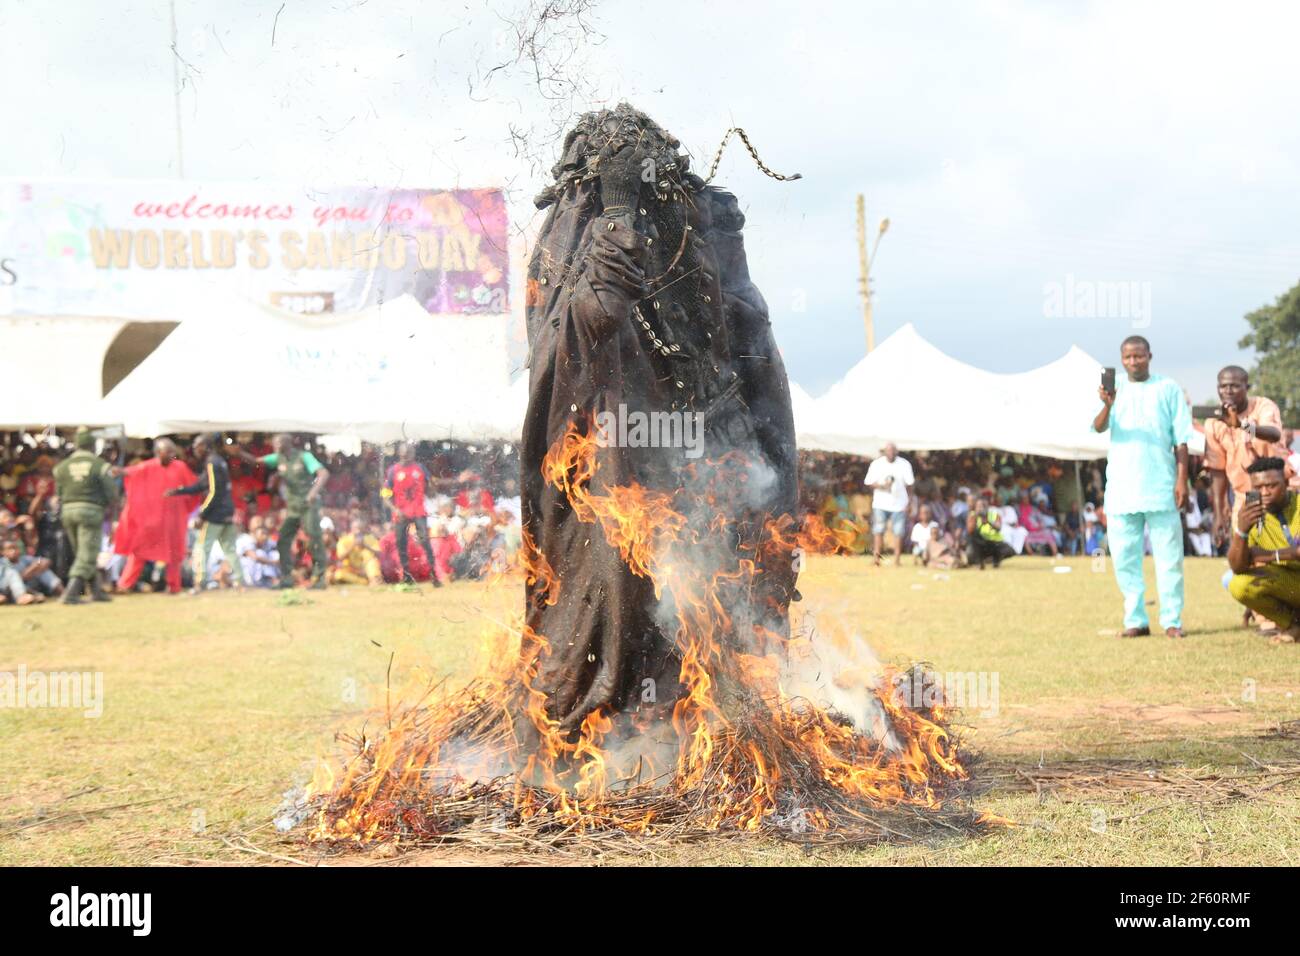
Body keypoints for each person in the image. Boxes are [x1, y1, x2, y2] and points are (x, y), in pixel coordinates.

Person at [1092, 336, 1193, 638]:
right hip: (1122, 488)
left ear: (1150, 356)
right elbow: (1098, 427)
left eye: (1139, 356)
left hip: (1161, 485)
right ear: (1121, 359)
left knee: (1169, 558)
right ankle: (1135, 619)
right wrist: (1106, 406)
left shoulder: (1168, 388)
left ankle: (1172, 620)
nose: (1134, 362)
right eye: (1128, 357)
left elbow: (1182, 440)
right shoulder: (1114, 390)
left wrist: (1182, 480)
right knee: (1124, 558)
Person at [1203, 366, 1287, 545]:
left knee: (1286, 549)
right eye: (1223, 386)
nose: (1227, 391)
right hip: (1244, 496)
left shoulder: (1263, 406)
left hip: (1278, 492)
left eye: (1234, 386)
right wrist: (1219, 512)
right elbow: (1217, 470)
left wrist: (1242, 425)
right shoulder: (1213, 422)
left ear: (1246, 387)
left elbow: (1274, 434)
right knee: (1245, 554)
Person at [236, 434, 329, 589]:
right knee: (283, 540)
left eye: (278, 443)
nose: (275, 445)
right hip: (293, 507)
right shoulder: (277, 458)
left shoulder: (304, 456)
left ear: (288, 443)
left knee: (314, 539)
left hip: (308, 505)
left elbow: (323, 473)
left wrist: (313, 493)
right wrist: (239, 452)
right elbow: (255, 461)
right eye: (274, 443)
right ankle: (287, 578)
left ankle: (319, 579)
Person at [1226, 458, 1300, 644]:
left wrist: (1267, 555)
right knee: (1238, 584)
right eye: (1258, 487)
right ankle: (1293, 625)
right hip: (1290, 582)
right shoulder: (1252, 515)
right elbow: (1238, 567)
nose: (1265, 493)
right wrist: (1241, 532)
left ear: (1287, 482)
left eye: (1272, 485)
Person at [114, 438, 198, 595]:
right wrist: (120, 471)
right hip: (151, 521)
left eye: (173, 451)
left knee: (174, 554)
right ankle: (124, 584)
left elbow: (193, 487)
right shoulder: (148, 466)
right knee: (139, 551)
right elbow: (131, 472)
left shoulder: (180, 467)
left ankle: (174, 586)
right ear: (159, 453)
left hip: (173, 521)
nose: (172, 455)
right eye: (169, 451)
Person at [166, 433, 245, 593]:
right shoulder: (219, 461)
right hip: (227, 511)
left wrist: (202, 515)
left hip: (215, 515)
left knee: (201, 548)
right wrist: (178, 491)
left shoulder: (211, 463)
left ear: (206, 446)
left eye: (197, 445)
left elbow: (213, 492)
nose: (194, 448)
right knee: (229, 549)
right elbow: (201, 485)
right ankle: (239, 581)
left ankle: (199, 583)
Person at [53, 427, 119, 605]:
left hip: (68, 511)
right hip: (90, 512)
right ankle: (70, 594)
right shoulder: (99, 466)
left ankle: (97, 591)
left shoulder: (61, 467)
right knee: (87, 554)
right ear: (91, 445)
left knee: (83, 552)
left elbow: (58, 493)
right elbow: (112, 492)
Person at [383, 442, 440, 586]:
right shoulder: (393, 471)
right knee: (401, 544)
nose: (406, 456)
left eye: (409, 453)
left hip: (418, 511)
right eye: (404, 453)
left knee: (425, 541)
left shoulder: (420, 468)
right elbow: (385, 494)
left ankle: (434, 574)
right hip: (401, 513)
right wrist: (394, 509)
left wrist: (432, 487)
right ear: (400, 454)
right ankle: (407, 576)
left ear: (413, 454)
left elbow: (430, 486)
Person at [864, 442, 914, 566]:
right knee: (878, 530)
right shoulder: (877, 464)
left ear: (896, 452)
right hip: (881, 503)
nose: (891, 453)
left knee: (898, 531)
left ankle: (897, 560)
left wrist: (909, 502)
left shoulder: (904, 464)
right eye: (888, 451)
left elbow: (910, 484)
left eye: (893, 451)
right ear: (884, 452)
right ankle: (876, 559)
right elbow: (868, 482)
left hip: (899, 504)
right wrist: (881, 486)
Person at [966, 497, 1015, 568]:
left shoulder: (994, 515)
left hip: (994, 543)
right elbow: (970, 531)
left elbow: (999, 528)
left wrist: (989, 522)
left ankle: (994, 560)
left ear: (987, 507)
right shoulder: (972, 515)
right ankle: (980, 561)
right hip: (980, 544)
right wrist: (976, 518)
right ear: (975, 507)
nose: (980, 509)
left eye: (983, 506)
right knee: (971, 549)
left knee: (1010, 550)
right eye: (978, 506)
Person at [333, 517, 383, 586]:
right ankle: (364, 582)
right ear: (351, 529)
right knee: (339, 575)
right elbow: (340, 557)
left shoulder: (370, 538)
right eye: (356, 528)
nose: (358, 531)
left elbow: (380, 554)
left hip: (366, 570)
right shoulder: (344, 540)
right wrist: (352, 545)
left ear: (364, 529)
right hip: (352, 570)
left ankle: (374, 580)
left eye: (360, 528)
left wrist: (366, 546)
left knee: (373, 561)